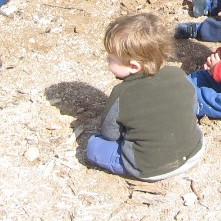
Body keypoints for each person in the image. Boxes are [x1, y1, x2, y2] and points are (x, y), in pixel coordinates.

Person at [85, 13, 204, 181]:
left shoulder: (122, 93)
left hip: (150, 167)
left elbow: (110, 134)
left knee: (94, 146)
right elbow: (191, 106)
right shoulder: (179, 74)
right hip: (194, 152)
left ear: (133, 66)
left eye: (111, 59)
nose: (107, 61)